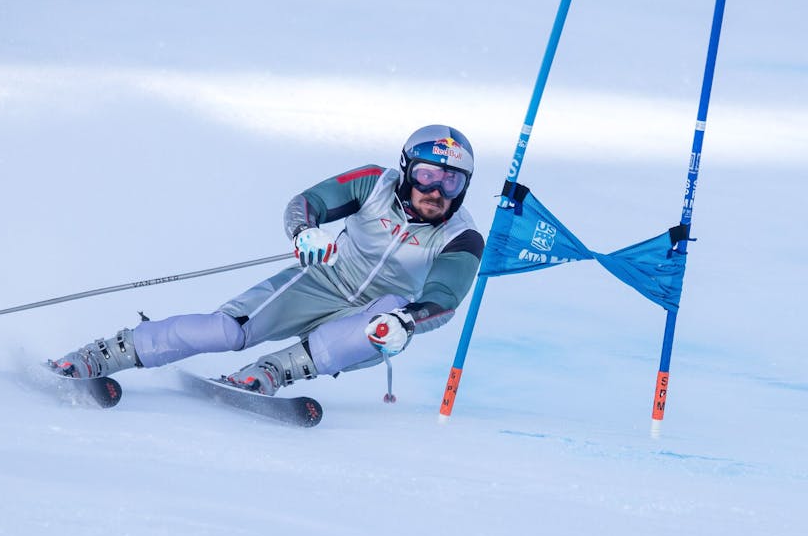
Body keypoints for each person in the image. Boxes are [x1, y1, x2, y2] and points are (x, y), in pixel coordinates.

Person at [50, 124, 484, 396]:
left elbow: (444, 297)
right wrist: (305, 232)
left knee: (387, 322)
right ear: (408, 170)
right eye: (427, 174)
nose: (436, 191)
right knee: (227, 330)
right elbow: (309, 201)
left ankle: (270, 374)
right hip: (324, 280)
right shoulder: (374, 184)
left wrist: (409, 321)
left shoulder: (461, 235)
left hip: (377, 312)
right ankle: (104, 354)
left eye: (451, 180)